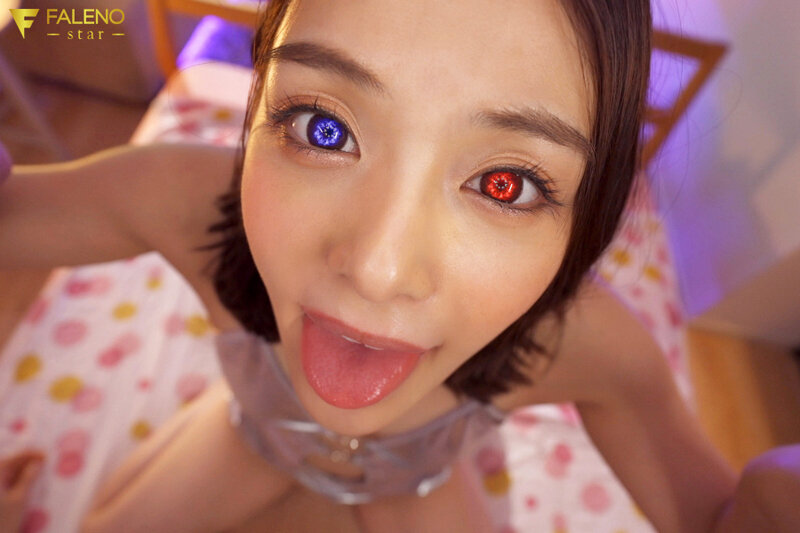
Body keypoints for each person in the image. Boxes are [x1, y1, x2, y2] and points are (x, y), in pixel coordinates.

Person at [1, 0, 799, 531]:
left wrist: (769, 501)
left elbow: (715, 515)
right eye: (322, 128)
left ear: (585, 219)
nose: (378, 272)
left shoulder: (582, 342)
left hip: (418, 486)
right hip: (254, 438)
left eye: (505, 183)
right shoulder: (194, 206)